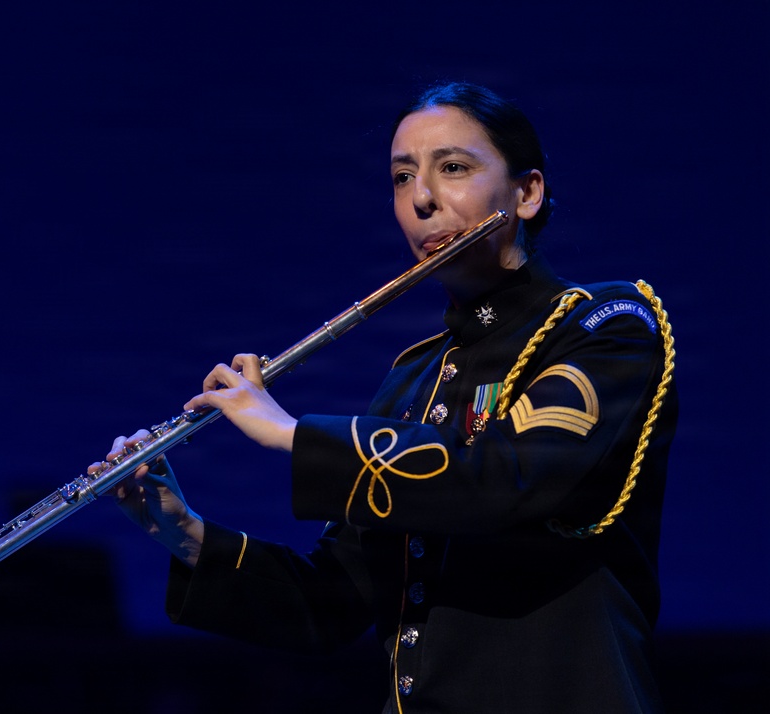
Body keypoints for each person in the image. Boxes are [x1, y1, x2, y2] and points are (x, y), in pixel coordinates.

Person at [89, 81, 677, 713]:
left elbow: (507, 478)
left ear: (526, 193)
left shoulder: (606, 326)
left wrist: (290, 433)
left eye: (453, 168)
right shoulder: (413, 380)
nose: (422, 199)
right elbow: (333, 602)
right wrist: (184, 532)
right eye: (402, 177)